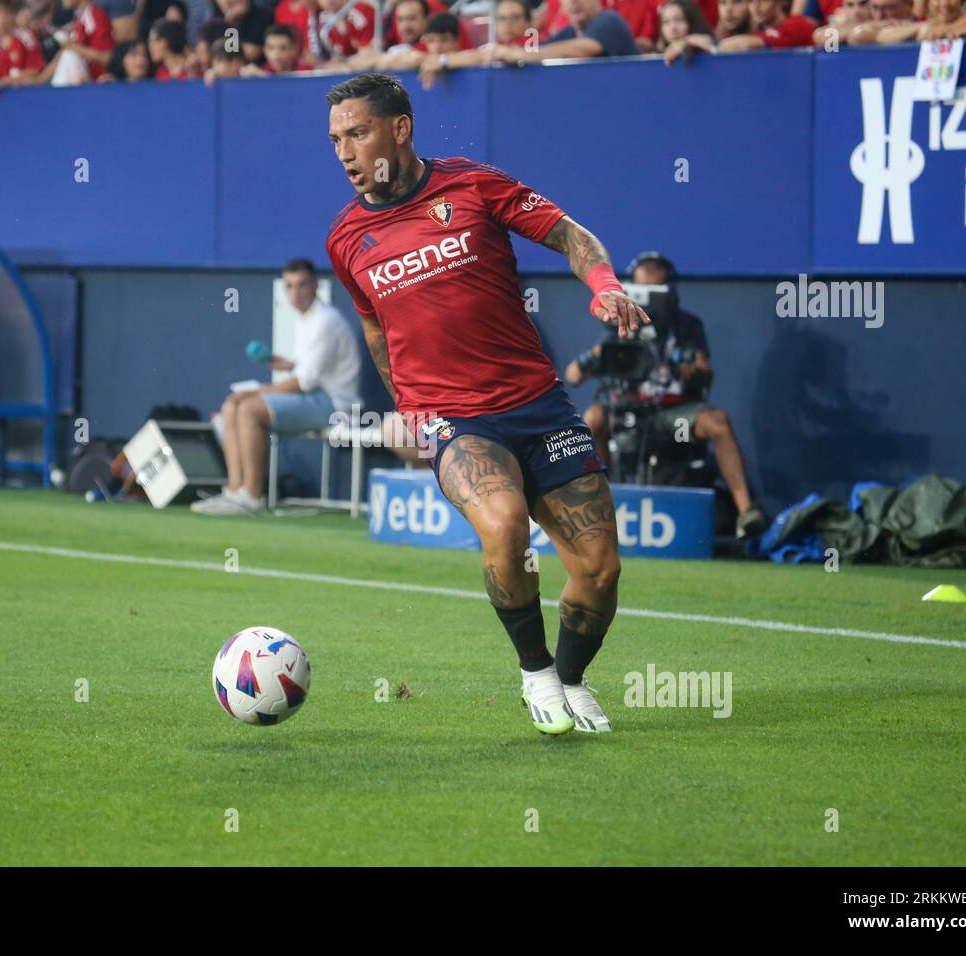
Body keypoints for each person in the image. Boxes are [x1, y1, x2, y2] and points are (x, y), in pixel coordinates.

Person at [325, 74, 649, 736]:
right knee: (502, 522)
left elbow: (568, 234)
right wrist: (410, 407)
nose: (345, 153)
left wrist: (605, 286)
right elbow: (376, 333)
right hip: (455, 419)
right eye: (335, 140)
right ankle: (534, 670)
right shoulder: (345, 240)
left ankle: (571, 678)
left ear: (400, 129)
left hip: (538, 406)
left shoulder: (474, 186)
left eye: (357, 133)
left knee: (600, 569)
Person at [564, 252, 766, 540]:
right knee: (593, 417)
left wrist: (685, 365)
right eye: (642, 289)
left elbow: (705, 373)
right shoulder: (620, 323)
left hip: (673, 414)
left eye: (656, 289)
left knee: (717, 421)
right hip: (627, 410)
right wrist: (596, 356)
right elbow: (572, 375)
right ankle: (598, 508)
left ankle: (746, 512)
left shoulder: (687, 326)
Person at [192, 258, 361, 515]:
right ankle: (235, 491)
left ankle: (252, 495)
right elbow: (308, 371)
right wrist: (289, 365)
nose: (295, 293)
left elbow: (305, 383)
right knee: (231, 405)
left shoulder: (326, 320)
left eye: (302, 285)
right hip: (317, 397)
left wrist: (256, 392)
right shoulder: (306, 320)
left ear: (316, 285)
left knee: (248, 408)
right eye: (290, 286)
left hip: (336, 406)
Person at [484, 0, 639, 64]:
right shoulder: (569, 33)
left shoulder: (609, 20)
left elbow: (583, 48)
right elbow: (539, 51)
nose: (573, 2)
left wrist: (519, 54)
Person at [717, 0, 815, 48]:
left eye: (763, 0)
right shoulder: (757, 31)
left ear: (780, 2)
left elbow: (745, 44)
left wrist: (715, 48)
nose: (756, 7)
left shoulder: (797, 24)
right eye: (751, 1)